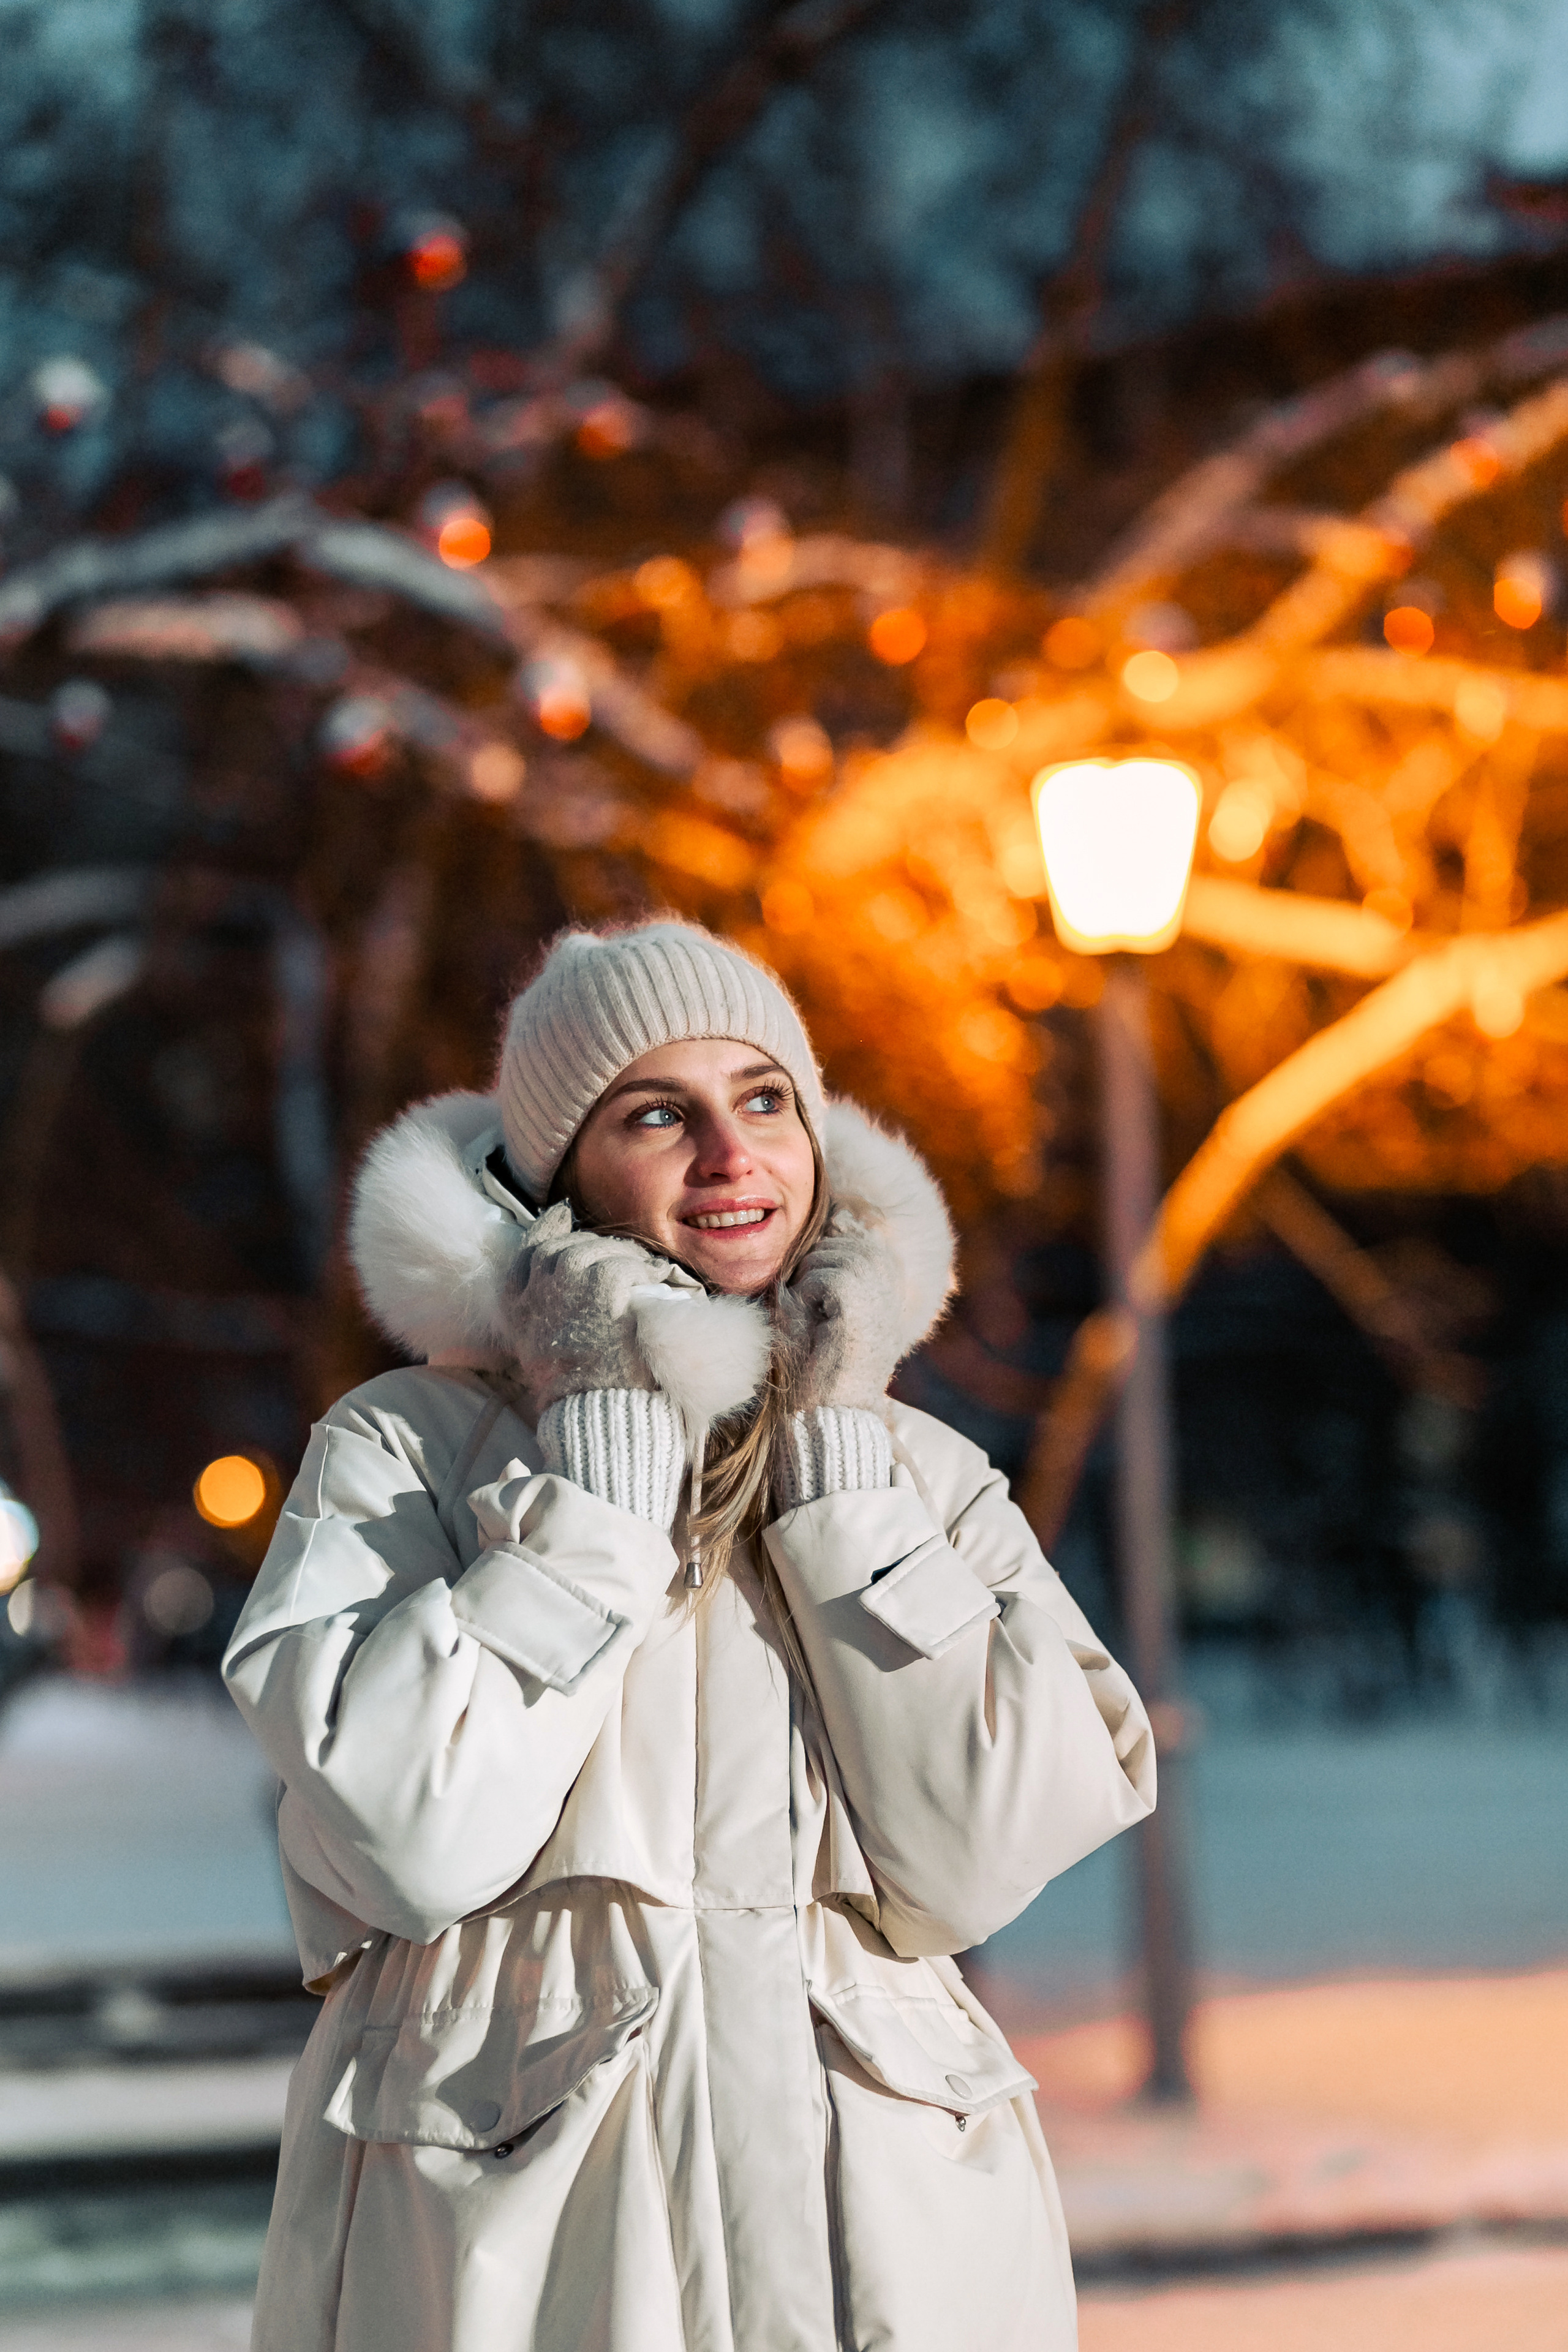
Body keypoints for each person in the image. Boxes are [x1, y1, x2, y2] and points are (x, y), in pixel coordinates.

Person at [224, 918, 1155, 2352]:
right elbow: (412, 1836)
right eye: (658, 1114)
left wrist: (839, 1483)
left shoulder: (916, 1470)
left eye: (764, 1099)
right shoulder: (406, 1453)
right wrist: (594, 1486)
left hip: (889, 2246)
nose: (732, 1155)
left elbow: (974, 1857)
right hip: (525, 2260)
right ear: (558, 1177)